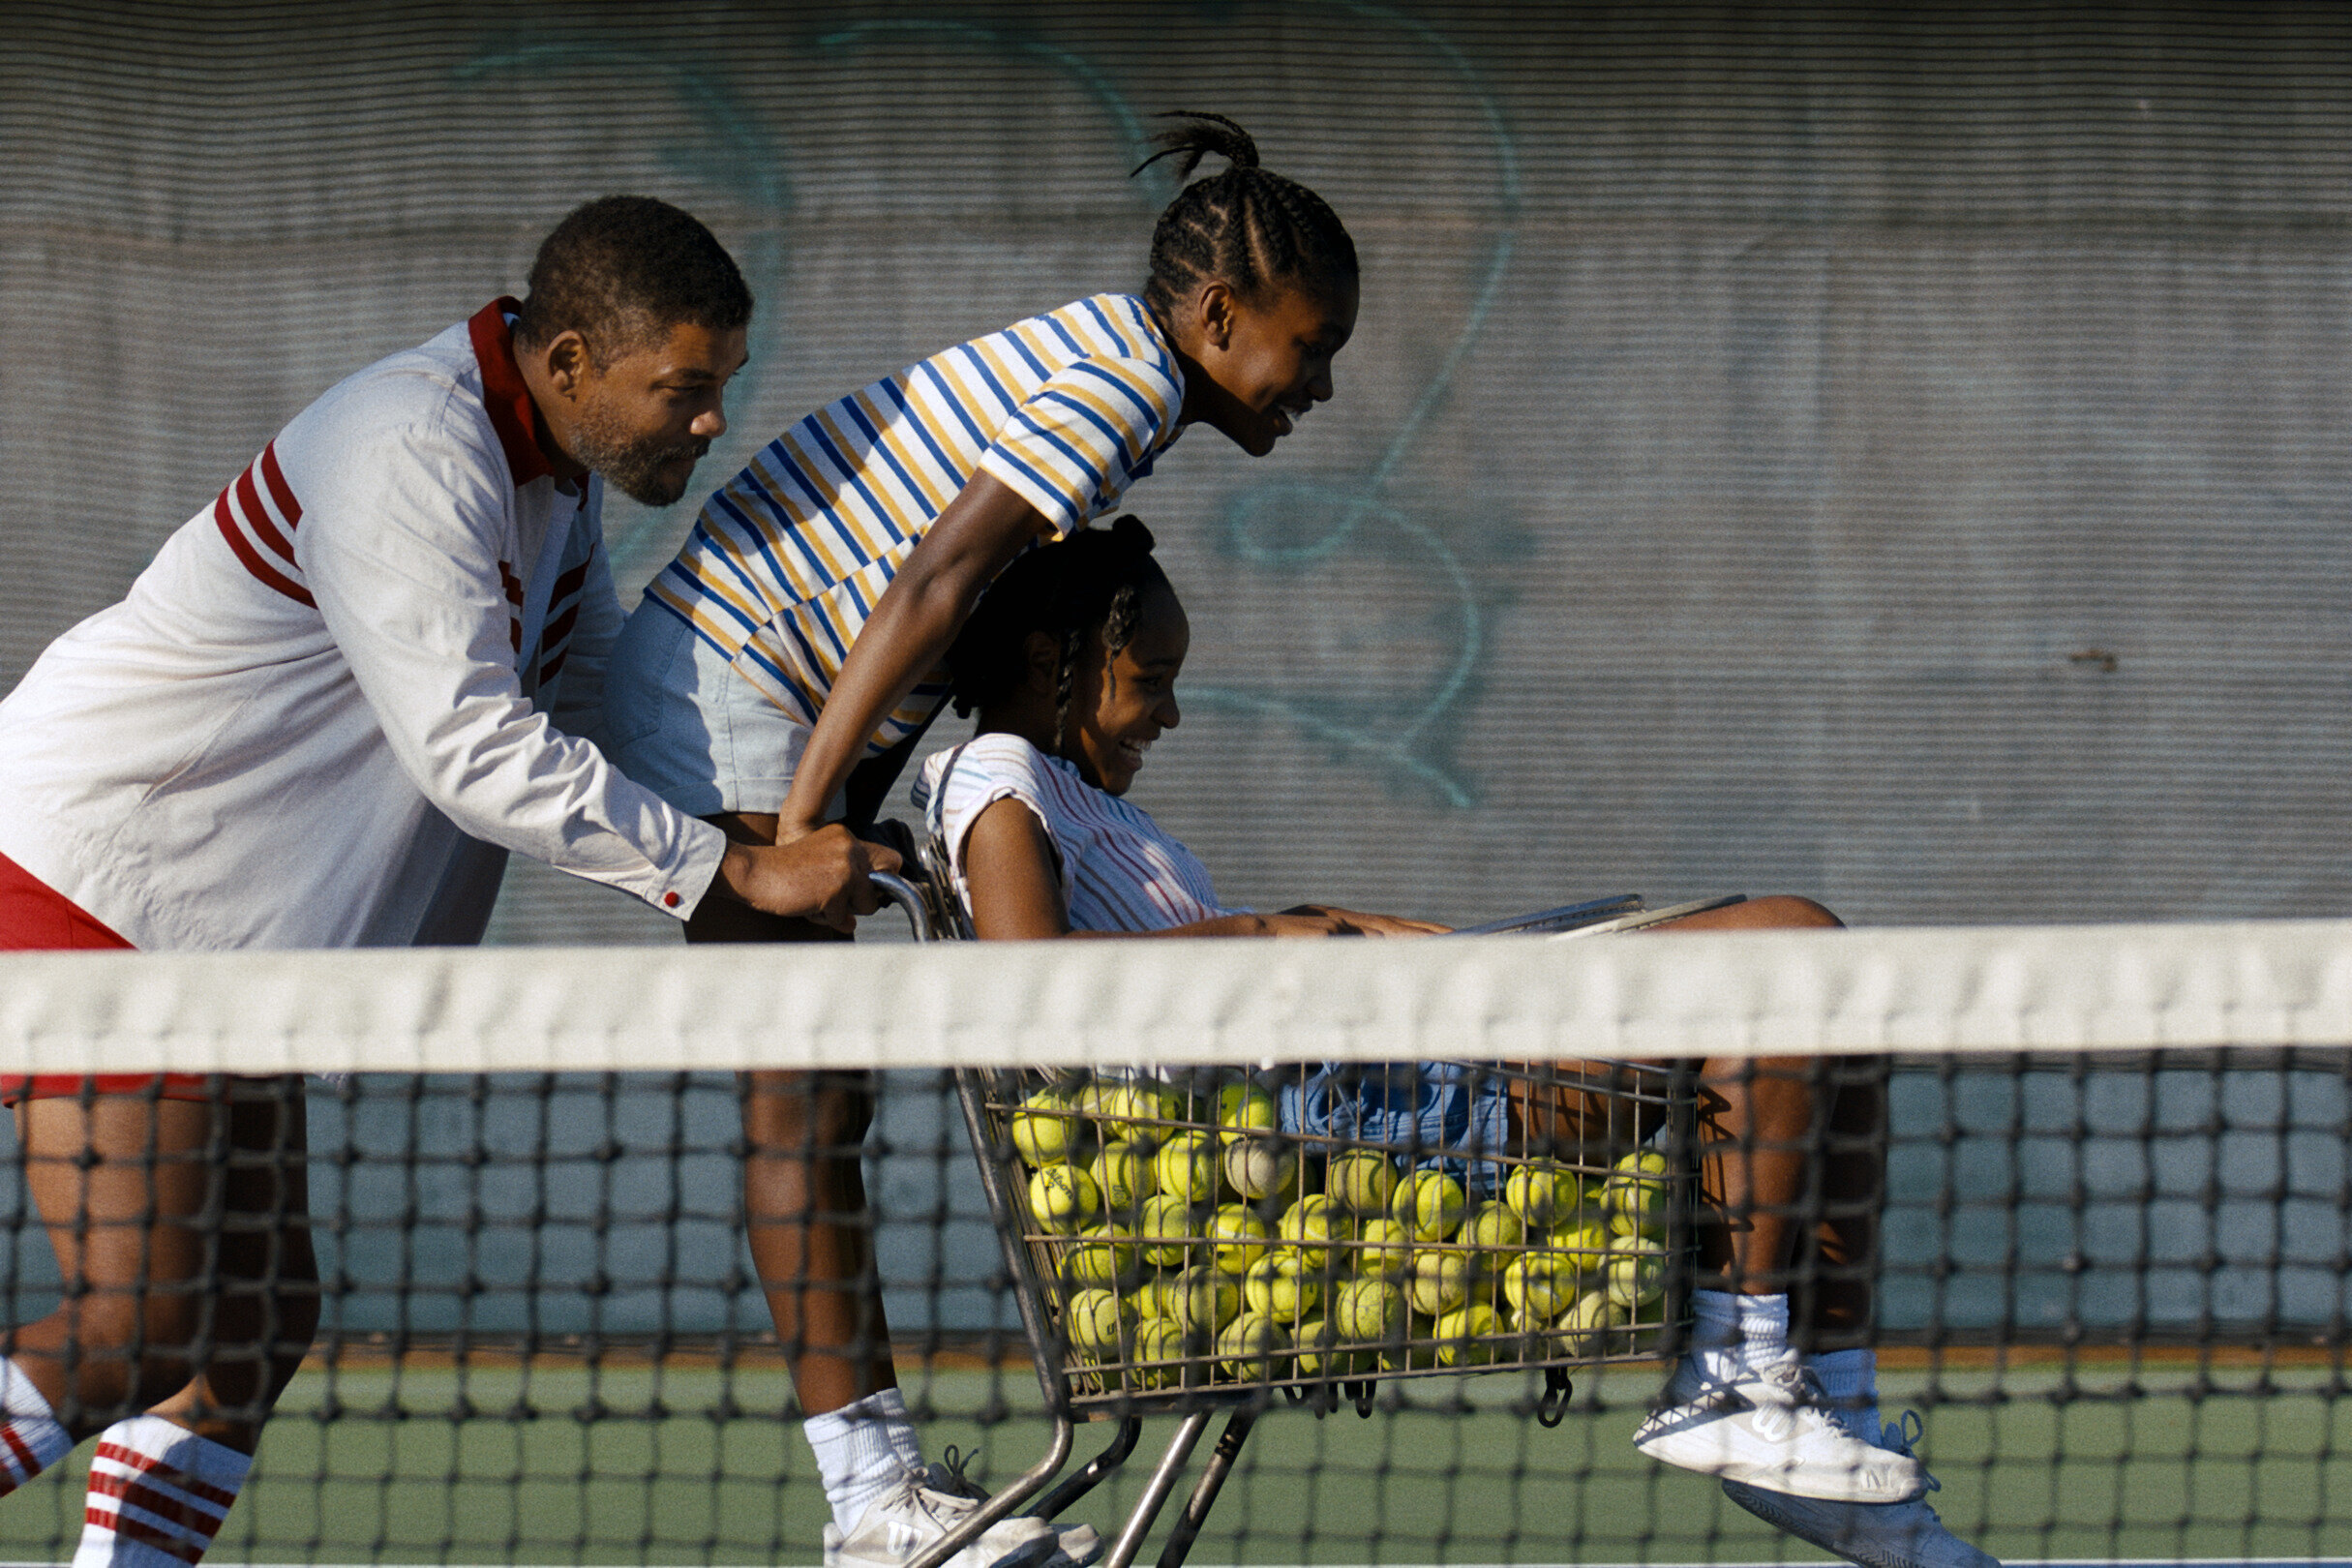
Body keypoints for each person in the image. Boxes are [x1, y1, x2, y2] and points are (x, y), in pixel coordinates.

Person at [0, 196, 892, 1568]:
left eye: (719, 388)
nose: (710, 422)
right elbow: (474, 749)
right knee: (147, 1316)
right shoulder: (410, 444)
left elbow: (584, 697)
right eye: (685, 389)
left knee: (251, 1325)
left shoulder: (554, 481)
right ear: (575, 361)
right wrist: (732, 870)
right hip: (99, 886)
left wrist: (751, 839)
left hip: (219, 947)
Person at [912, 518, 2000, 1568]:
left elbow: (1187, 951)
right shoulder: (993, 777)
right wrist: (1279, 934)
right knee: (1791, 949)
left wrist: (1339, 921)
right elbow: (1038, 998)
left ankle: (1825, 1406)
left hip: (1368, 1082)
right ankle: (1734, 1376)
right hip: (1349, 1131)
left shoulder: (1079, 794)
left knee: (1827, 986)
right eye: (1150, 679)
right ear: (1055, 660)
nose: (1173, 713)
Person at [598, 114, 1357, 1568]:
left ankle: (875, 1491)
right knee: (804, 1102)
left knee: (818, 1104)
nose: (1316, 385)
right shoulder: (1122, 387)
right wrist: (809, 820)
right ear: (1215, 318)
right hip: (738, 688)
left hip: (786, 699)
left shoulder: (1115, 378)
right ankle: (870, 1506)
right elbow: (935, 581)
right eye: (1307, 346)